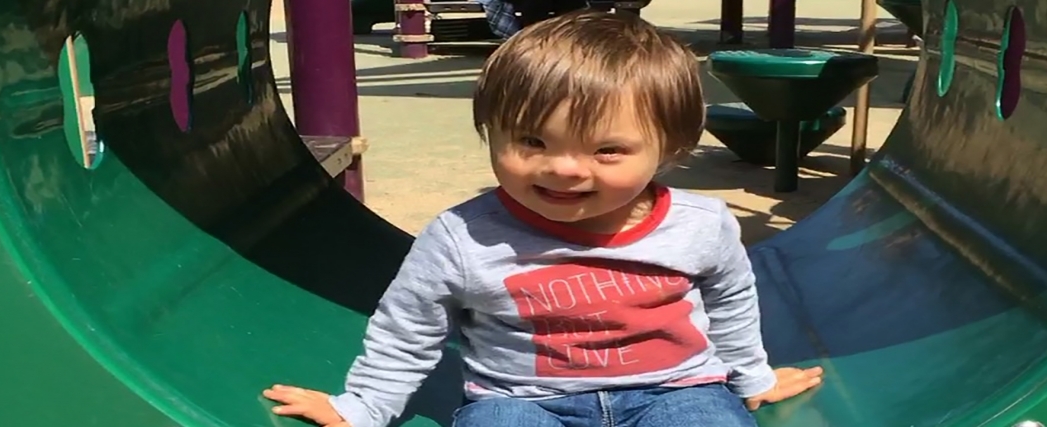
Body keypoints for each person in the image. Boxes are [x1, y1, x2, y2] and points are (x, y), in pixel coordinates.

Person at [263, 10, 825, 427]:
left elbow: (731, 303)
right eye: (531, 141)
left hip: (676, 390)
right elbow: (407, 328)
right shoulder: (462, 237)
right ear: (489, 131)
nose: (562, 169)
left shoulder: (700, 225)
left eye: (607, 151)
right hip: (520, 400)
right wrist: (363, 407)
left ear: (670, 146)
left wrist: (754, 377)